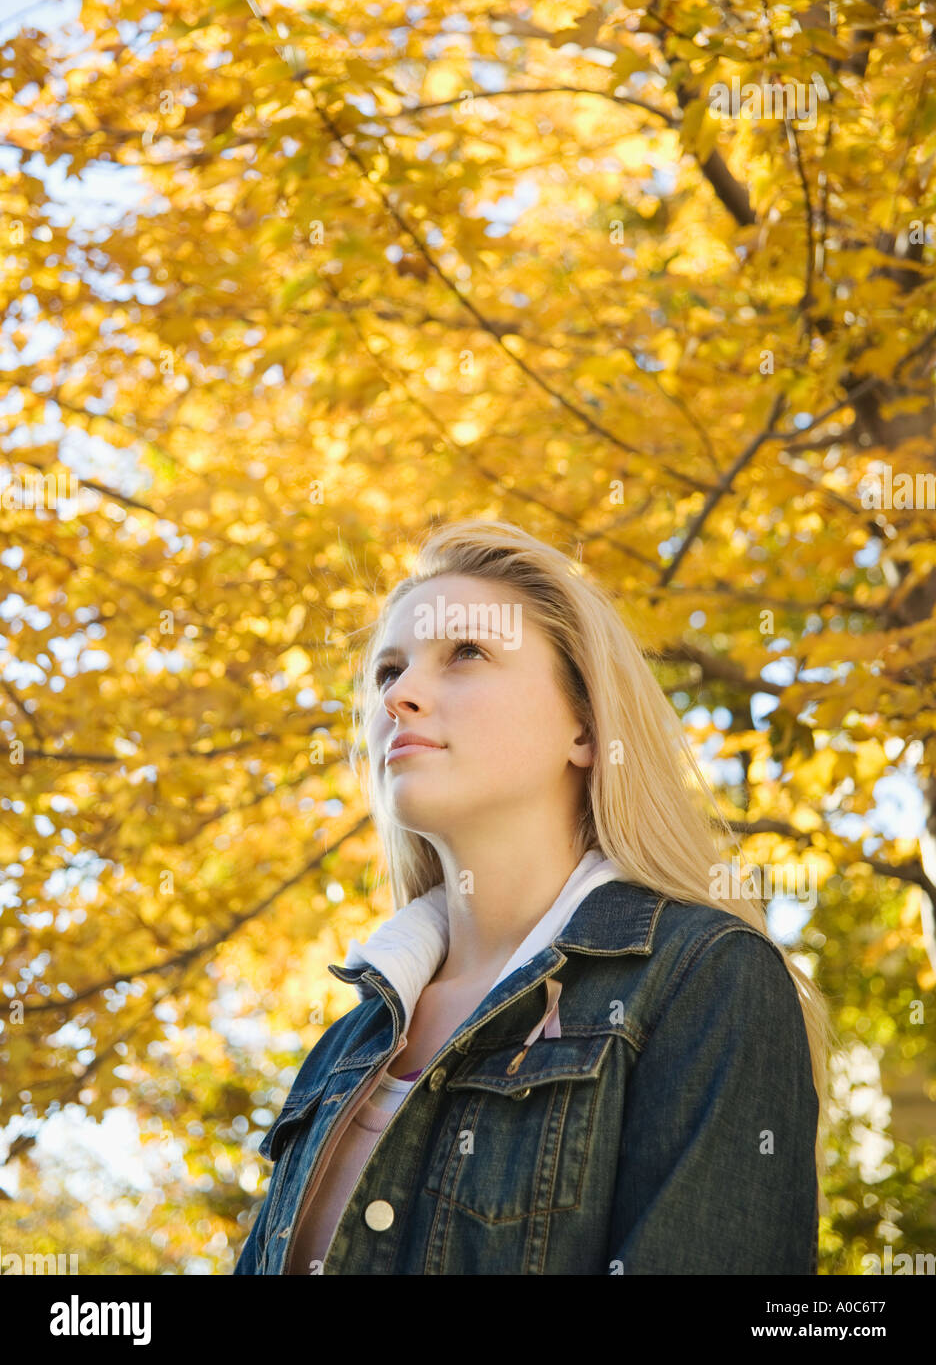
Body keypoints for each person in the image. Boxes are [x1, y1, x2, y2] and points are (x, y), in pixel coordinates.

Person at [234, 519, 833, 1275]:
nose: (400, 696)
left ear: (584, 728)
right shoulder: (346, 1047)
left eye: (467, 653)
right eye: (388, 672)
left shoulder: (705, 980)